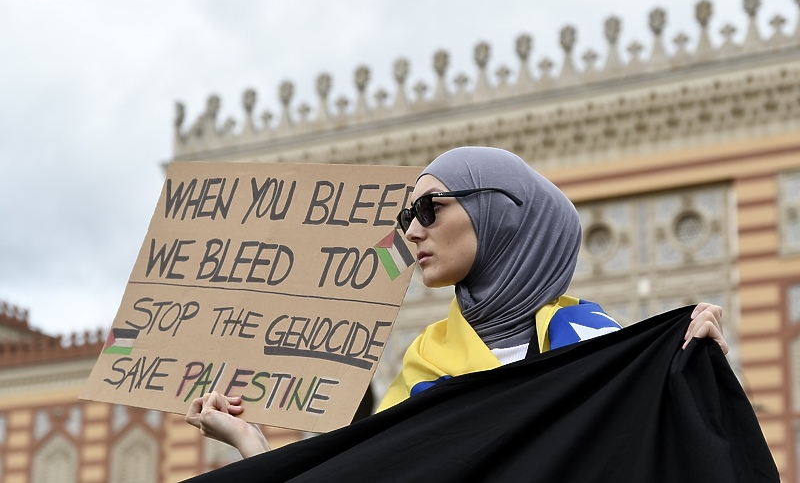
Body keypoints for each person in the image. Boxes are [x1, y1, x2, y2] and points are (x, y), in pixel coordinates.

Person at [185, 146, 729, 459]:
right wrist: (249, 442)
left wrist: (695, 373)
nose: (412, 233)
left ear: (504, 213)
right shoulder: (425, 364)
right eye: (404, 219)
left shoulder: (595, 343)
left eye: (428, 209)